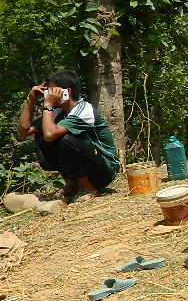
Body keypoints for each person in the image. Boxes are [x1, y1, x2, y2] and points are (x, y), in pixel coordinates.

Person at [15, 70, 119, 202]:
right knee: (40, 136)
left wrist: (48, 105)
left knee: (66, 139)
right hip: (86, 167)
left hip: (104, 170)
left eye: (52, 91)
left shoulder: (84, 110)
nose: (48, 95)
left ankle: (88, 188)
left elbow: (50, 135)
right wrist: (30, 101)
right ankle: (72, 183)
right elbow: (22, 134)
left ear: (67, 92)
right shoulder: (57, 112)